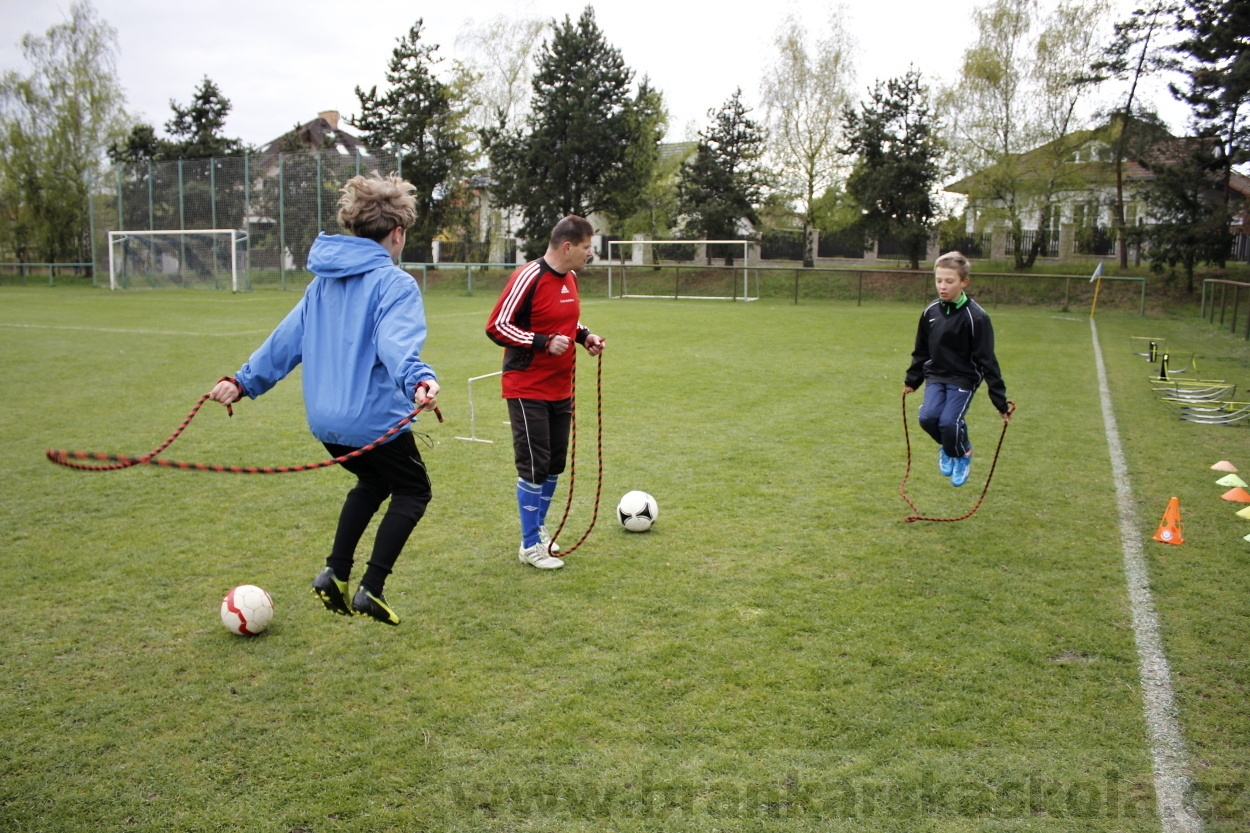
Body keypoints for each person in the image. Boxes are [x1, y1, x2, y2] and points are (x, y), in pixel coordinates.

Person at [208, 173, 440, 625]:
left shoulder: (321, 284)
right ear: (398, 234)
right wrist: (419, 381)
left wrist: (242, 381)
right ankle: (371, 588)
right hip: (371, 421)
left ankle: (335, 572)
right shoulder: (394, 283)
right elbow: (397, 344)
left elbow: (285, 340)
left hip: (326, 424)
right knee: (414, 490)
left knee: (373, 484)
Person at [485, 215, 606, 569]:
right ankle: (529, 545)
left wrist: (586, 337)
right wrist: (541, 342)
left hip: (560, 387)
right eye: (587, 248)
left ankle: (537, 533)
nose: (590, 254)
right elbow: (497, 326)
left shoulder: (570, 278)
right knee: (534, 466)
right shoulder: (528, 277)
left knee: (555, 464)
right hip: (527, 386)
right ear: (567, 247)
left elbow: (566, 322)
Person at [903, 250, 1010, 488]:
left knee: (949, 422)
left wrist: (1000, 401)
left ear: (964, 282)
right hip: (935, 375)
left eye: (949, 281)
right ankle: (949, 448)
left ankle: (963, 454)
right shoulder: (930, 312)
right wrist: (913, 379)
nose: (943, 286)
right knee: (928, 418)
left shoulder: (976, 317)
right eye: (939, 280)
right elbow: (922, 349)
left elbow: (988, 360)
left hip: (963, 379)